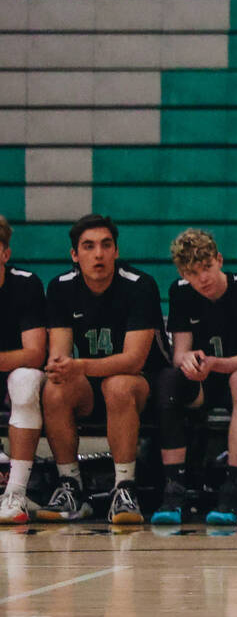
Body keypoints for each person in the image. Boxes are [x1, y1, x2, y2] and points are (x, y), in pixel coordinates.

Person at [37, 214, 168, 524]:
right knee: (55, 387)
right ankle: (71, 486)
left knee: (118, 384)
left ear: (116, 252)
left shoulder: (140, 286)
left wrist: (78, 365)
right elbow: (60, 356)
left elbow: (133, 360)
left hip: (143, 385)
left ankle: (124, 488)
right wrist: (60, 367)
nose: (98, 254)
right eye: (89, 246)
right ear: (74, 255)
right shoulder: (60, 288)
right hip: (92, 382)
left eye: (106, 245)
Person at [151, 229, 237, 525]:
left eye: (206, 268)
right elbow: (180, 353)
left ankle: (233, 486)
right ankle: (173, 488)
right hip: (205, 378)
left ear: (219, 260)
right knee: (168, 379)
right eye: (192, 272)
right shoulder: (181, 292)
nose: (202, 278)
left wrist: (213, 363)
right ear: (182, 273)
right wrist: (189, 361)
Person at [0, 215, 49, 523]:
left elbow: (34, 354)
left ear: (5, 253)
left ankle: (15, 493)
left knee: (26, 380)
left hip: (14, 373)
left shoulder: (25, 284)